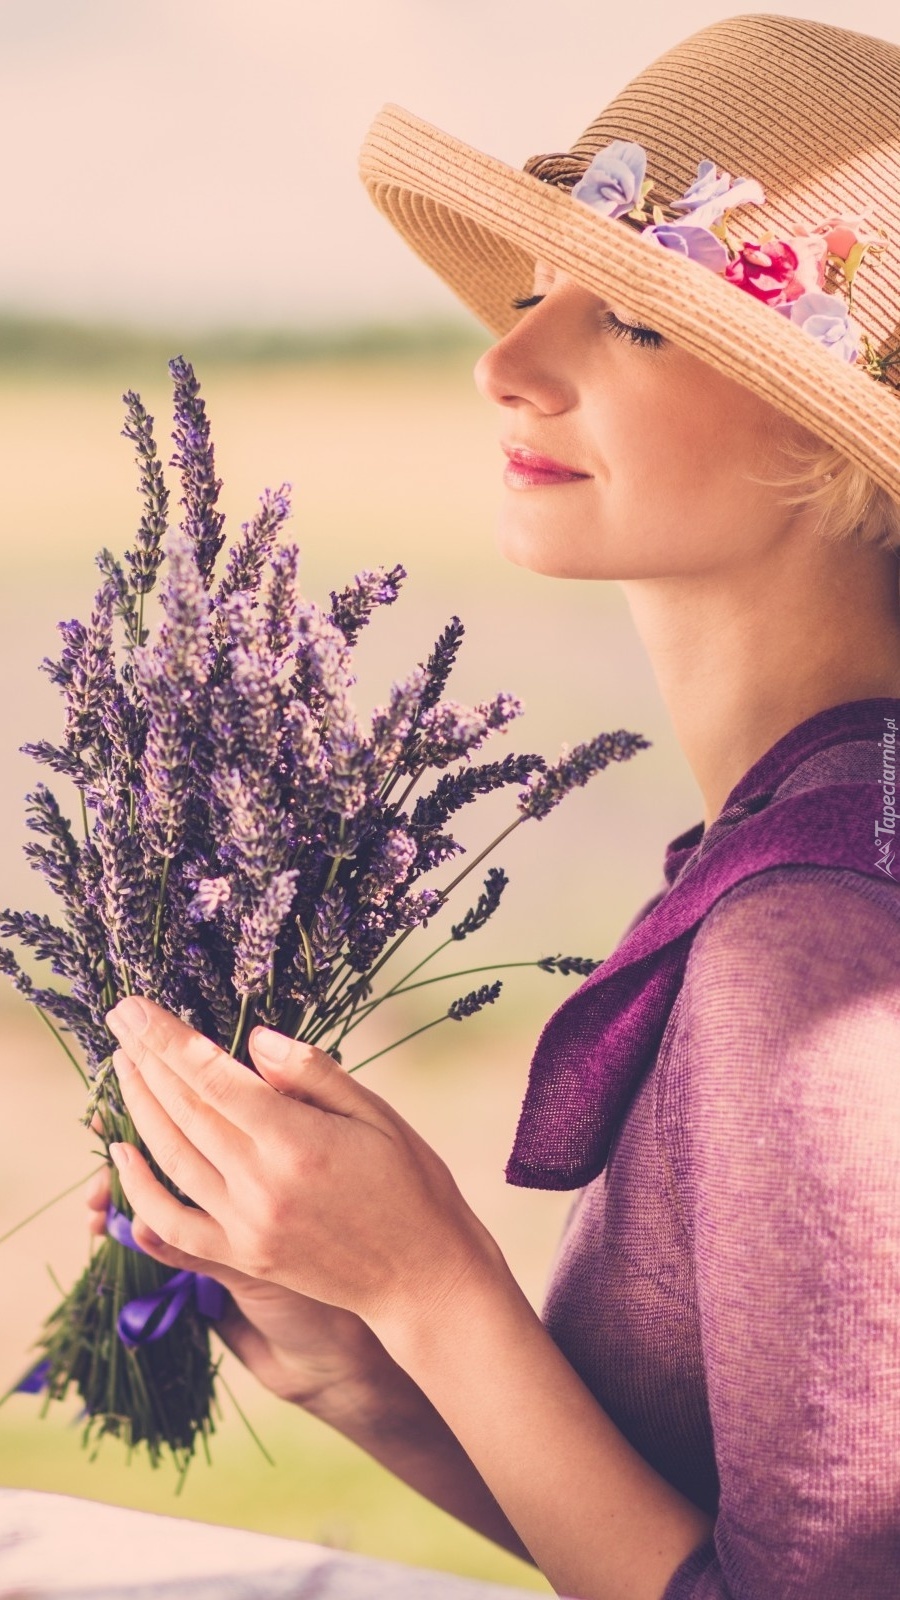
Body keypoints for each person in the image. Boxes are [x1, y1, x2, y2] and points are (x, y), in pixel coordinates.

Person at [88, 14, 900, 1599]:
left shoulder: (817, 945)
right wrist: (377, 1363)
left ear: (834, 436)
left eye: (642, 327)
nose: (505, 361)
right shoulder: (821, 835)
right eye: (540, 295)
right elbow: (682, 1542)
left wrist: (437, 1278)